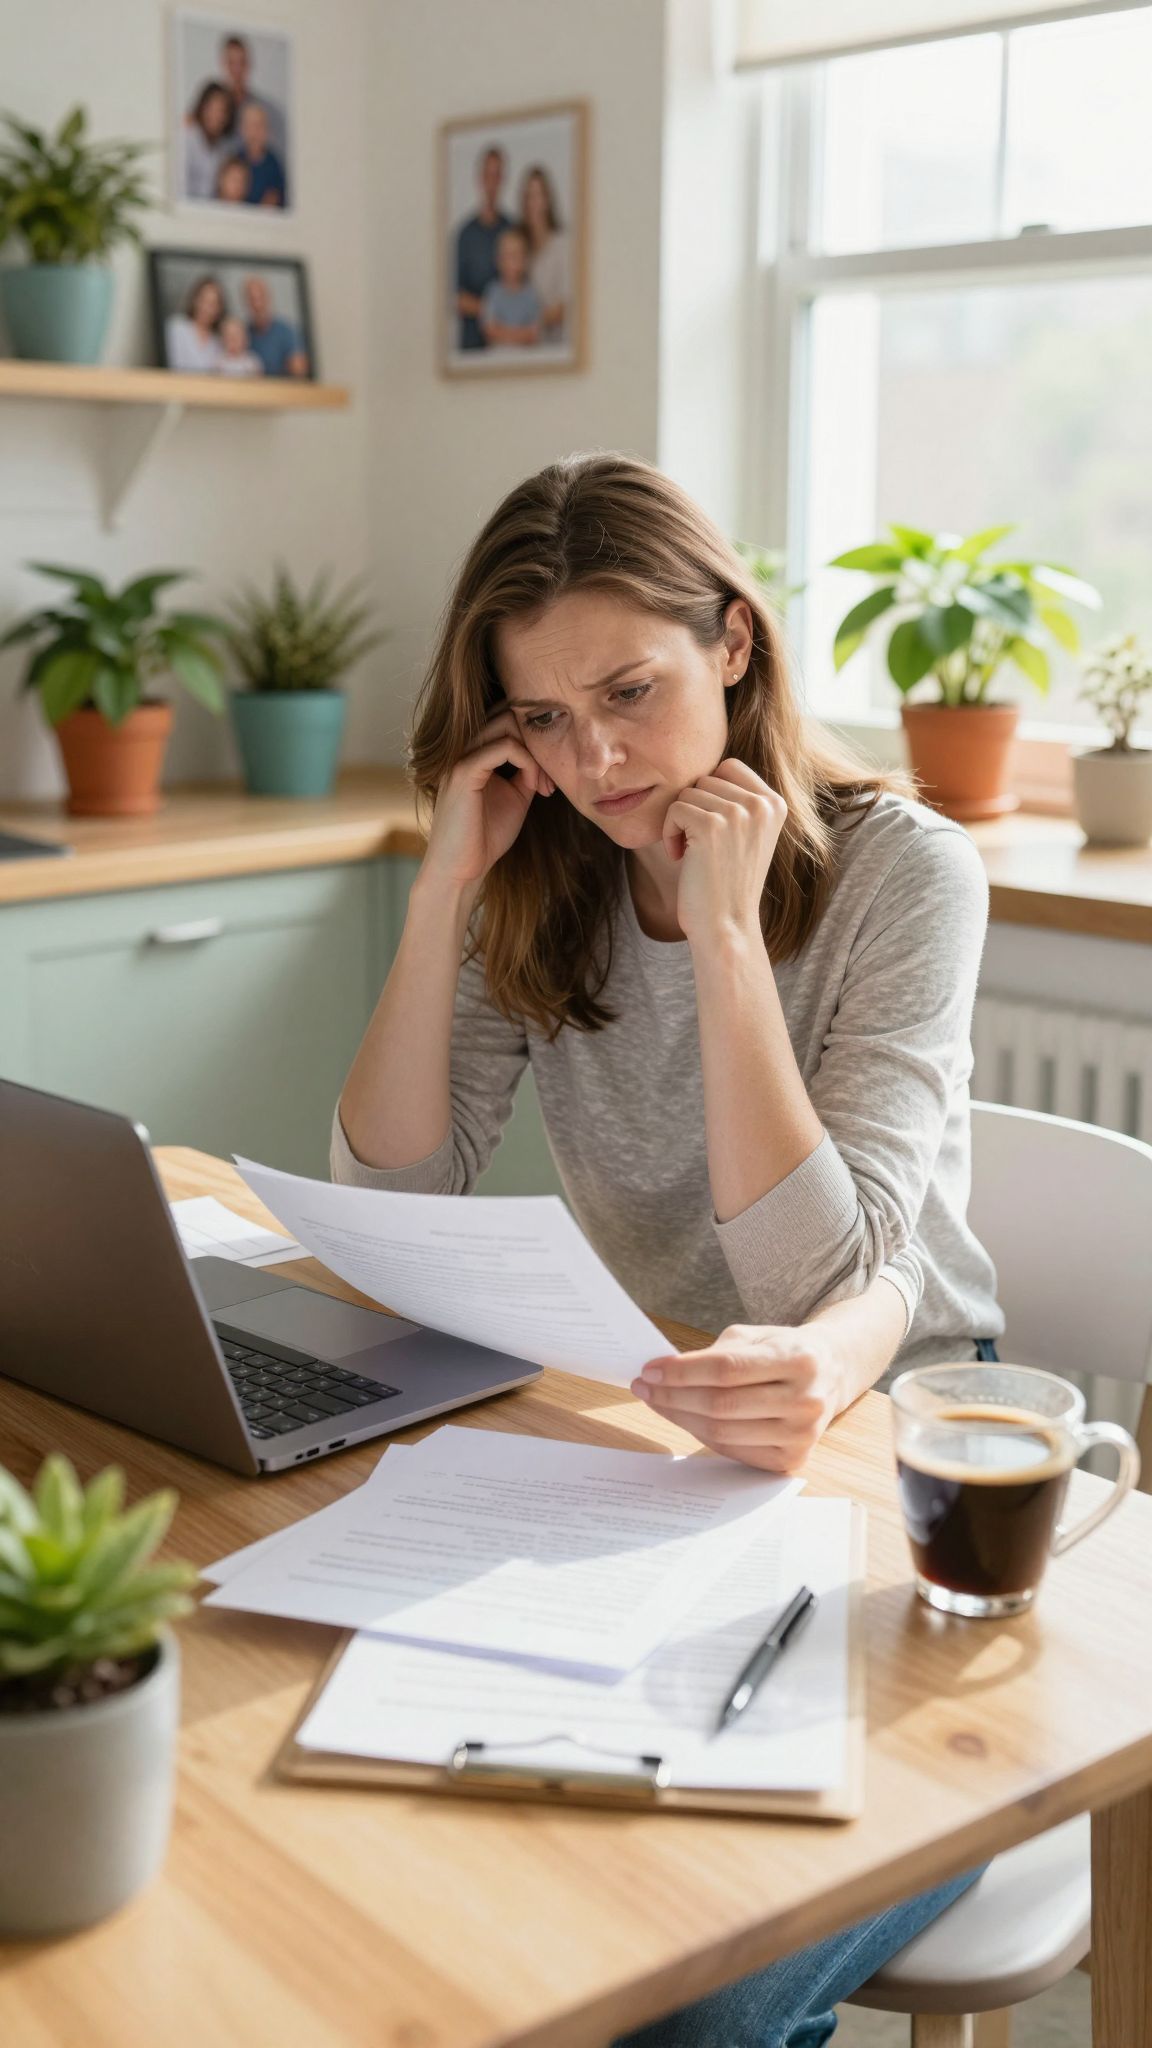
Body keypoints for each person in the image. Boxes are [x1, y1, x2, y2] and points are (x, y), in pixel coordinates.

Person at [333, 451, 998, 2044]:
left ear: (737, 645)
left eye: (630, 690)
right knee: (460, 1917)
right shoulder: (545, 871)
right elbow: (393, 1205)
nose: (596, 757)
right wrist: (443, 891)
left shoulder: (910, 872)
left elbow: (821, 1292)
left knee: (681, 2007)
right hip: (652, 1445)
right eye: (543, 719)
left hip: (894, 1454)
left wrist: (719, 935)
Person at [454, 145, 513, 351]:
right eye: (488, 175)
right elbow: (455, 296)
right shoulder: (465, 235)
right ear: (479, 178)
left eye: (497, 175)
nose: (492, 182)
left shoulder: (511, 229)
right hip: (472, 346)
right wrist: (493, 309)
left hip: (508, 346)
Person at [519, 164, 570, 346]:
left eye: (538, 195)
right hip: (525, 350)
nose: (533, 203)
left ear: (547, 200)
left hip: (554, 345)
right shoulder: (521, 250)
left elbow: (564, 307)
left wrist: (525, 322)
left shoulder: (562, 246)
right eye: (529, 197)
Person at [219, 31, 287, 158]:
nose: (237, 70)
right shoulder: (215, 113)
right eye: (231, 63)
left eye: (242, 63)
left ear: (249, 65)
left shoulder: (269, 110)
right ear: (223, 65)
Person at [480, 227, 542, 349]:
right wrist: (518, 335)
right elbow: (489, 331)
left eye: (517, 255)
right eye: (507, 256)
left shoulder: (532, 293)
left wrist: (505, 334)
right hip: (497, 358)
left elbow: (534, 333)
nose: (512, 261)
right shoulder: (492, 292)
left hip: (527, 358)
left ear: (525, 260)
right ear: (498, 260)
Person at [242, 275, 308, 377]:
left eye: (261, 298)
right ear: (246, 303)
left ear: (268, 298)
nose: (257, 305)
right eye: (252, 299)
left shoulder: (286, 332)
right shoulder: (243, 333)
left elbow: (299, 370)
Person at [183, 81, 235, 202]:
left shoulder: (224, 150)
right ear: (202, 108)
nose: (217, 116)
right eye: (212, 108)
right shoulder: (187, 138)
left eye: (222, 111)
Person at [165, 275, 226, 372]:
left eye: (213, 304)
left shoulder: (219, 341)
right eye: (204, 300)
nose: (207, 308)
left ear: (219, 309)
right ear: (195, 300)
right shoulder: (177, 326)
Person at [237, 101, 287, 207]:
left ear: (267, 130)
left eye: (260, 125)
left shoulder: (274, 165)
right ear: (242, 130)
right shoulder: (235, 160)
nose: (255, 131)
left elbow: (275, 201)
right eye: (250, 126)